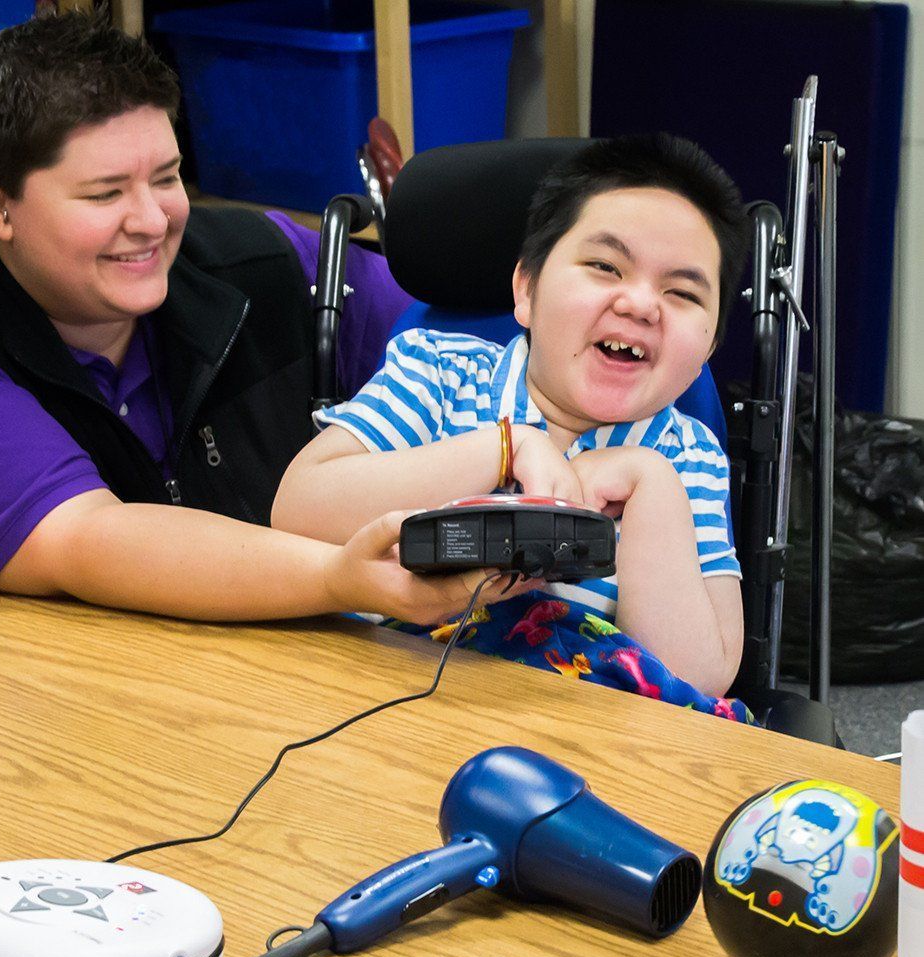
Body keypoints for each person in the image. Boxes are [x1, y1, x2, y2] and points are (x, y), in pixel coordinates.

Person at [0, 11, 534, 632]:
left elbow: (488, 362)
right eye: (104, 194)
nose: (153, 220)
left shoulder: (272, 267)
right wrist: (338, 579)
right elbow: (86, 539)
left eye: (166, 177)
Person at [272, 134, 750, 698]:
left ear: (709, 348)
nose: (641, 304)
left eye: (683, 293)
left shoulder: (688, 458)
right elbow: (296, 512)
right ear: (526, 289)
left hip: (580, 744)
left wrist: (651, 486)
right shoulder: (440, 376)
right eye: (605, 266)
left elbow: (698, 682)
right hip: (384, 699)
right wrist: (505, 446)